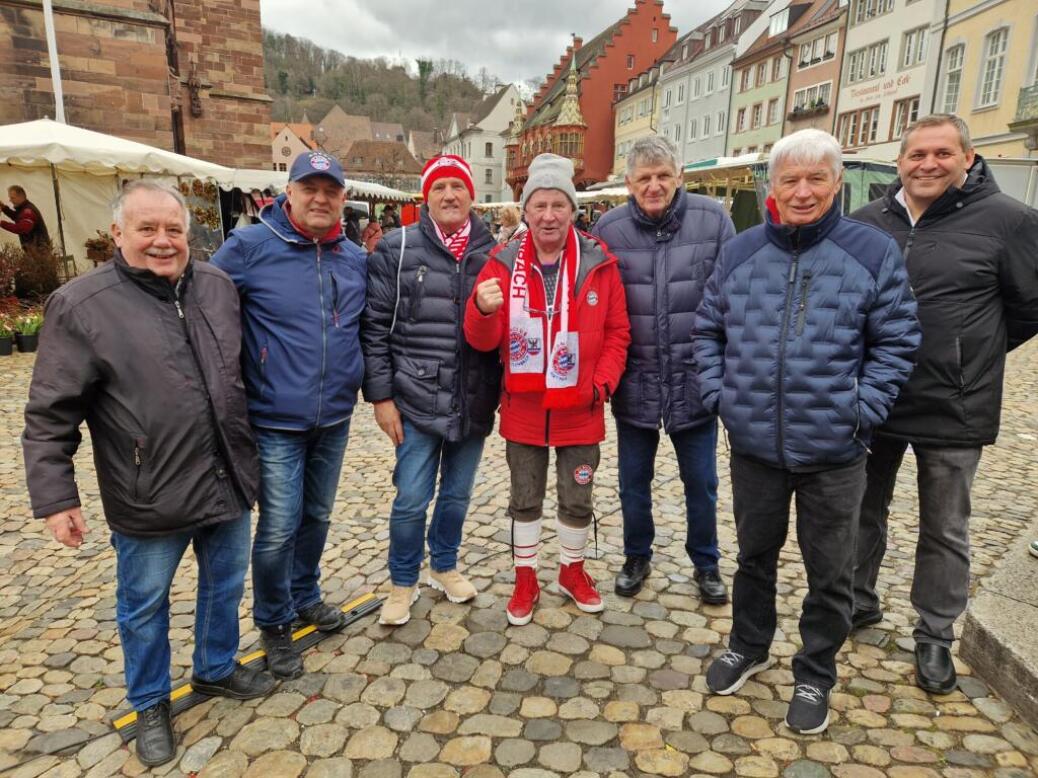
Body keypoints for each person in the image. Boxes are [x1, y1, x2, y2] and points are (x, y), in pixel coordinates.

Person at [23, 181, 275, 767]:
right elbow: (49, 412)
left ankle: (215, 668)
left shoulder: (215, 286)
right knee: (144, 604)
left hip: (225, 475)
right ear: (118, 234)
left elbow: (238, 372)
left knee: (223, 585)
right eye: (147, 229)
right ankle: (151, 702)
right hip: (148, 488)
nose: (163, 241)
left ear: (188, 232)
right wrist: (57, 496)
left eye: (173, 229)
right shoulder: (81, 306)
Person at [694, 129, 920, 734]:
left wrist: (861, 408)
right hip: (755, 446)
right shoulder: (741, 252)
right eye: (789, 179)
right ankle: (749, 644)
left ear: (836, 182)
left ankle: (816, 672)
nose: (802, 191)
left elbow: (897, 339)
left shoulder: (870, 252)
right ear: (771, 186)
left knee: (830, 571)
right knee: (754, 557)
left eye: (815, 178)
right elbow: (708, 330)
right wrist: (722, 397)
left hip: (835, 450)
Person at [850, 114, 1038, 694]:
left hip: (954, 403)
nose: (928, 164)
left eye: (942, 153)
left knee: (945, 527)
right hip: (873, 396)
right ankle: (856, 602)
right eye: (917, 155)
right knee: (860, 508)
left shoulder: (1010, 221)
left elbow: (1028, 307)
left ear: (967, 157)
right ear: (900, 162)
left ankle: (934, 633)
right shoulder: (865, 222)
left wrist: (967, 354)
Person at [211, 151, 367, 680]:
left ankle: (305, 595)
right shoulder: (251, 246)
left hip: (335, 415)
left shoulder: (351, 255)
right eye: (310, 189)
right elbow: (205, 305)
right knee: (278, 525)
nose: (321, 198)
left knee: (317, 516)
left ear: (342, 198)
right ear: (289, 192)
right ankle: (274, 620)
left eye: (331, 190)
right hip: (275, 415)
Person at [465, 153, 631, 626]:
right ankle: (526, 577)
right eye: (539, 205)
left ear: (572, 210)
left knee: (577, 498)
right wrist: (479, 308)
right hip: (524, 406)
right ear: (527, 209)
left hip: (581, 405)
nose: (549, 215)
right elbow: (481, 340)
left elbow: (619, 331)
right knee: (525, 496)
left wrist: (601, 386)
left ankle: (571, 571)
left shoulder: (599, 262)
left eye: (559, 204)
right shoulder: (499, 265)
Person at [592, 135, 734, 603]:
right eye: (644, 178)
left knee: (703, 483)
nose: (654, 186)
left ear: (679, 177)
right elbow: (596, 306)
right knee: (633, 480)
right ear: (629, 183)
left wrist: (720, 371)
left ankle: (706, 562)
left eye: (663, 176)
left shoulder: (713, 220)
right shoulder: (609, 229)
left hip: (693, 378)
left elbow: (731, 299)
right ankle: (637, 554)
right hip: (636, 379)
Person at [362, 154, 501, 625]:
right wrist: (381, 398)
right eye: (439, 187)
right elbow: (375, 328)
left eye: (456, 187)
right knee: (410, 498)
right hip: (415, 398)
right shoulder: (397, 249)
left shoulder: (495, 253)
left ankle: (443, 564)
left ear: (471, 196)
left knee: (457, 495)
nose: (448, 195)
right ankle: (402, 581)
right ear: (427, 196)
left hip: (474, 395)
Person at [1, 185, 51, 250]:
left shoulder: (28, 211)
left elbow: (21, 228)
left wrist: (1, 223)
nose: (10, 200)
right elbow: (17, 217)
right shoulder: (24, 208)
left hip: (40, 251)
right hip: (36, 250)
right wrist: (3, 208)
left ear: (20, 197)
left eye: (12, 198)